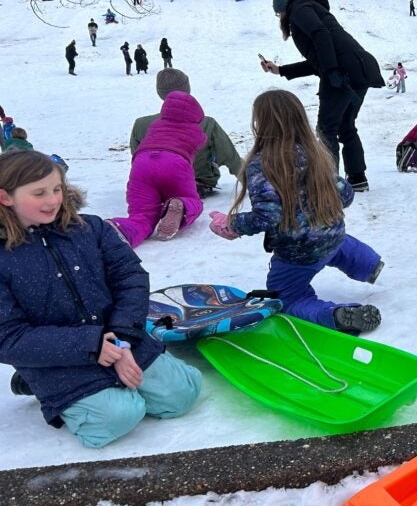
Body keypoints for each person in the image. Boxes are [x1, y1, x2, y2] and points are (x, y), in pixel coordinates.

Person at [0, 150, 201, 448]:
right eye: (39, 193)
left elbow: (131, 279)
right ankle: (37, 383)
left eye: (57, 189)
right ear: (6, 197)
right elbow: (8, 337)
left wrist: (121, 340)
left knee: (182, 394)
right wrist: (92, 346)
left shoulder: (90, 228)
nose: (53, 200)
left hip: (122, 337)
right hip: (60, 360)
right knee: (118, 416)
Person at [207, 90, 383, 335]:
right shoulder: (315, 153)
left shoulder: (262, 164)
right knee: (332, 241)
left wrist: (232, 224)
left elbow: (267, 216)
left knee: (284, 297)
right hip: (331, 235)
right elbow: (346, 195)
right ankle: (368, 264)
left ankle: (335, 316)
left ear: (261, 124)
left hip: (297, 253)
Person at [264, 0, 385, 192]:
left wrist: (331, 72)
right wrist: (281, 70)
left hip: (344, 73)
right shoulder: (312, 8)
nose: (280, 18)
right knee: (346, 125)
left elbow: (321, 36)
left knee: (326, 128)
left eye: (278, 14)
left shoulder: (299, 10)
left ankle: (330, 183)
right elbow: (318, 59)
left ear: (283, 7)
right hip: (360, 69)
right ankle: (357, 178)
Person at [108, 91, 206, 247]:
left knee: (142, 215)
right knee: (192, 200)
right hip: (175, 163)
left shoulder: (155, 125)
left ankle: (119, 230)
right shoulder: (197, 133)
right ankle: (180, 205)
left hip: (142, 163)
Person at [130, 68, 242, 198]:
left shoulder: (140, 124)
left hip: (157, 186)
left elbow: (138, 160)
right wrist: (253, 180)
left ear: (159, 93)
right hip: (196, 183)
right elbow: (231, 158)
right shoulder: (206, 123)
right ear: (187, 90)